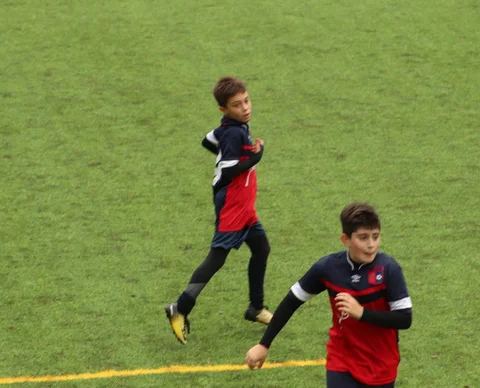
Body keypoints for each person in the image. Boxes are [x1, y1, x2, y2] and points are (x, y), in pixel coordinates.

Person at [245, 203, 413, 388]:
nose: (371, 245)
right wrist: (264, 344)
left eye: (375, 237)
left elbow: (404, 319)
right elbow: (291, 302)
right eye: (363, 238)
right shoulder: (328, 268)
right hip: (342, 359)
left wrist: (361, 313)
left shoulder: (389, 269)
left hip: (380, 365)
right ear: (346, 239)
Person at [165, 76, 273, 345]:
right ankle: (180, 308)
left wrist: (229, 148)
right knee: (217, 257)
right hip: (234, 203)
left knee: (261, 248)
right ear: (223, 110)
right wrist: (257, 155)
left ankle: (255, 308)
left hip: (244, 203)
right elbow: (228, 169)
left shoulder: (230, 127)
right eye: (237, 105)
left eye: (246, 100)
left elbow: (207, 139)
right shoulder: (235, 132)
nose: (245, 107)